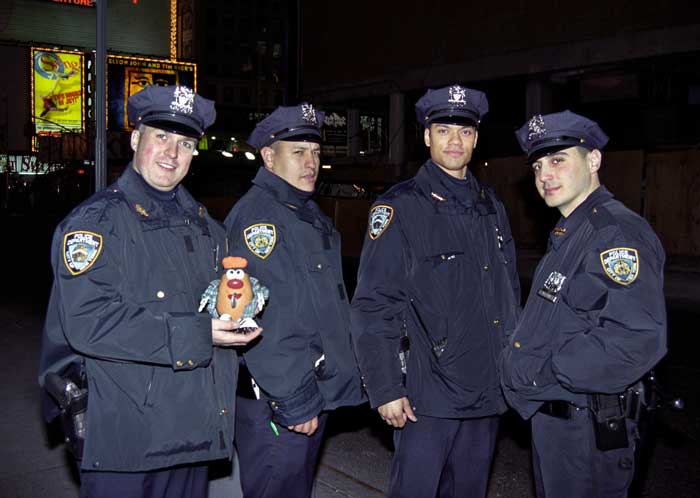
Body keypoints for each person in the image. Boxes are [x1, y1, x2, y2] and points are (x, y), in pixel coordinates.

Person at [38, 84, 261, 498]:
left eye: (185, 143)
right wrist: (200, 332)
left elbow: (217, 305)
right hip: (126, 442)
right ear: (136, 138)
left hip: (191, 436)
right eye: (161, 137)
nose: (172, 153)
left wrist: (239, 311)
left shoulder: (209, 230)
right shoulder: (96, 224)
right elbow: (89, 322)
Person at [350, 85, 521, 498]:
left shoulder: (491, 206)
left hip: (487, 392)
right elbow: (374, 304)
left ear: (476, 138)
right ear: (426, 137)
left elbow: (508, 294)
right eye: (443, 131)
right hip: (428, 399)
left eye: (464, 132)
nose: (455, 141)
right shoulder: (400, 208)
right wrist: (387, 387)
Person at [500, 110, 667, 498]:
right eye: (538, 166)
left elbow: (636, 337)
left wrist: (544, 371)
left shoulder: (614, 234)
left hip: (585, 430)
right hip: (559, 426)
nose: (544, 175)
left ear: (593, 161)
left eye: (558, 160)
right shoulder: (570, 233)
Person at [224, 103, 365, 498]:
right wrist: (295, 399)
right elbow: (258, 318)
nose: (311, 163)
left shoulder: (301, 212)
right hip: (279, 399)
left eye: (316, 153)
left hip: (305, 392)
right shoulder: (260, 221)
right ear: (269, 157)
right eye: (298, 152)